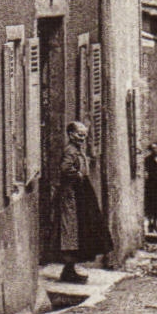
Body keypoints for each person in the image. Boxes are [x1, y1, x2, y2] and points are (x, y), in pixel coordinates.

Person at [56, 121, 112, 284]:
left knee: (80, 230)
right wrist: (78, 175)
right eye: (80, 135)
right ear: (71, 134)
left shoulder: (77, 150)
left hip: (80, 193)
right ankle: (68, 270)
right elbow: (65, 169)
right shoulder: (70, 151)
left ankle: (70, 269)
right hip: (71, 195)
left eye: (85, 135)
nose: (83, 138)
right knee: (71, 231)